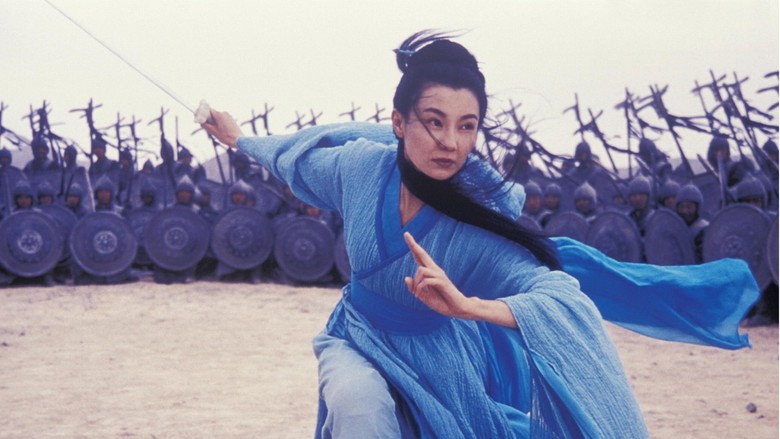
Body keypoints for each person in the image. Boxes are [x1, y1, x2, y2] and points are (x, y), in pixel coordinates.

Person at [203, 31, 757, 438]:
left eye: (466, 126)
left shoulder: (475, 223)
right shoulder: (359, 168)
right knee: (359, 408)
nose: (450, 142)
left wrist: (470, 307)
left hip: (439, 358)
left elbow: (554, 294)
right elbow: (293, 160)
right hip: (356, 334)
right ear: (399, 122)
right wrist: (238, 140)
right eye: (434, 121)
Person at [675, 184, 709, 264]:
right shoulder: (675, 229)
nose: (685, 211)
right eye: (681, 207)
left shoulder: (705, 229)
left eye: (689, 207)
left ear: (698, 208)